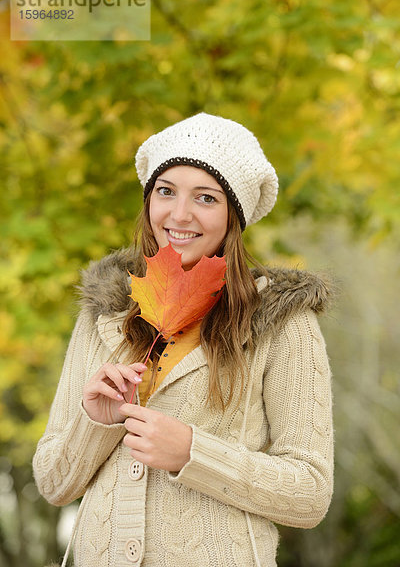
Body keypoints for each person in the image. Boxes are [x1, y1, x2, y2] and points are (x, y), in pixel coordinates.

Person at [33, 113, 334, 567]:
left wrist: (192, 454)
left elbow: (310, 493)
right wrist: (97, 423)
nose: (179, 214)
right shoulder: (108, 311)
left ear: (234, 216)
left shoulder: (279, 321)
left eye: (206, 198)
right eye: (166, 190)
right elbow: (55, 484)